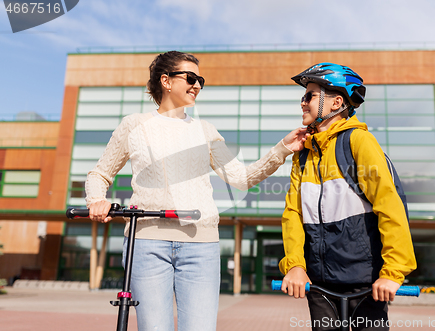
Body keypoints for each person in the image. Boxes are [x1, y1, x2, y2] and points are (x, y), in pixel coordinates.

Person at [85, 51, 309, 331]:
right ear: (165, 81)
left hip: (201, 246)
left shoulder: (205, 130)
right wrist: (96, 199)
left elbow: (240, 177)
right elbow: (99, 174)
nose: (198, 85)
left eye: (200, 80)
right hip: (147, 244)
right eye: (190, 78)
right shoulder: (135, 125)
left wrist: (282, 149)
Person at [279, 63, 417, 331]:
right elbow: (293, 214)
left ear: (336, 102)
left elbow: (390, 206)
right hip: (319, 284)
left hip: (366, 284)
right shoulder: (304, 154)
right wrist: (295, 265)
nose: (303, 103)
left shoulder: (359, 141)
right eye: (303, 96)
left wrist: (392, 273)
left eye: (310, 95)